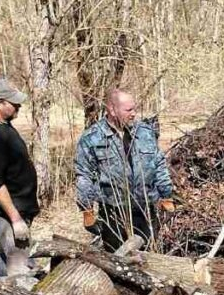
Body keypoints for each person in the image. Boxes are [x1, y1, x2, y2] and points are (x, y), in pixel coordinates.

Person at [74, 88, 174, 252]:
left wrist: (166, 194)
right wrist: (87, 210)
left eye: (134, 108)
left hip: (145, 210)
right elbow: (84, 175)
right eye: (129, 110)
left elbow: (159, 164)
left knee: (148, 258)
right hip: (113, 213)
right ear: (112, 110)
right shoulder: (92, 138)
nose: (134, 113)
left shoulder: (145, 133)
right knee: (117, 260)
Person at [0, 78, 39, 277]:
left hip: (19, 208)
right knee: (20, 266)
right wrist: (15, 219)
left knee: (6, 260)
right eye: (13, 102)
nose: (18, 105)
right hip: (7, 213)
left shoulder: (4, 126)